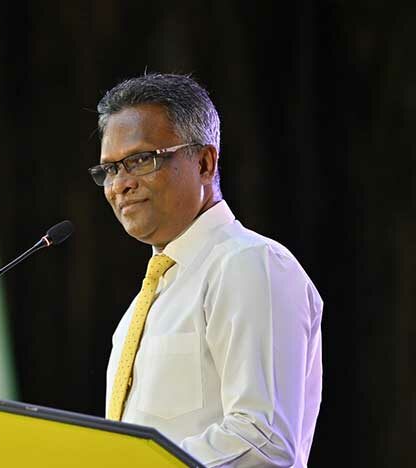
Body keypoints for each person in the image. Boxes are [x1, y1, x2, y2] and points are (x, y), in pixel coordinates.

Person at [91, 73, 323, 467]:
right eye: (110, 169)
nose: (120, 185)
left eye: (141, 160)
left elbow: (263, 441)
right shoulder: (145, 304)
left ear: (203, 162)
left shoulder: (249, 264)